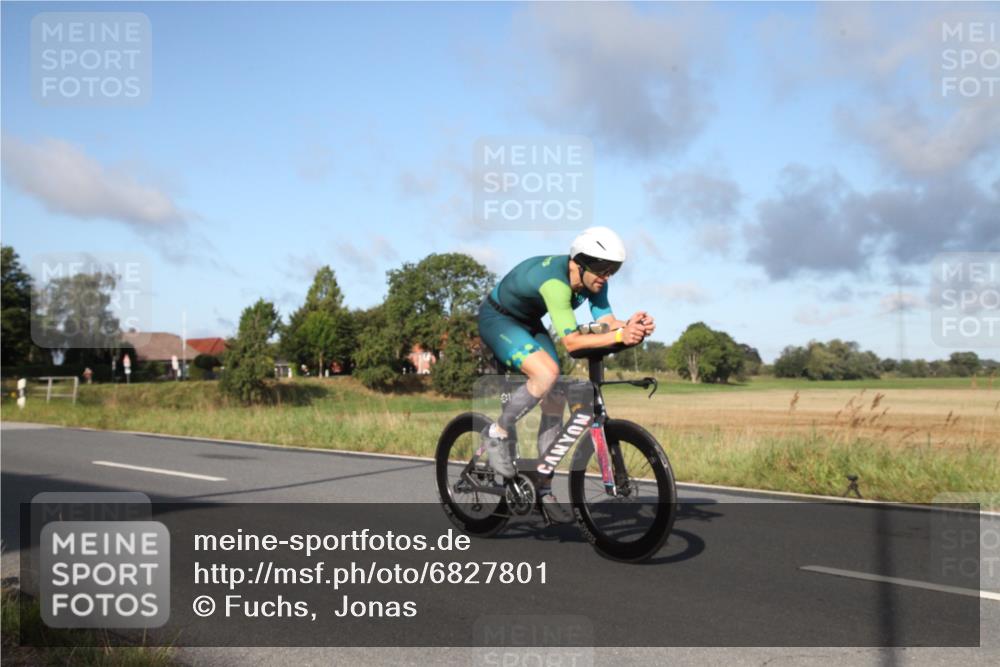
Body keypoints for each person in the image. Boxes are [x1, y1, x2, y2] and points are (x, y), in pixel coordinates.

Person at [477, 227, 655, 522]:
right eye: (601, 268)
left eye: (613, 270)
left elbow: (607, 322)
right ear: (578, 263)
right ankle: (496, 432)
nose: (606, 276)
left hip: (529, 322)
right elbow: (572, 343)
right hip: (498, 319)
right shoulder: (555, 284)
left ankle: (543, 487)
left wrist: (630, 325)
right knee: (546, 374)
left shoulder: (595, 280)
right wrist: (622, 335)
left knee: (555, 397)